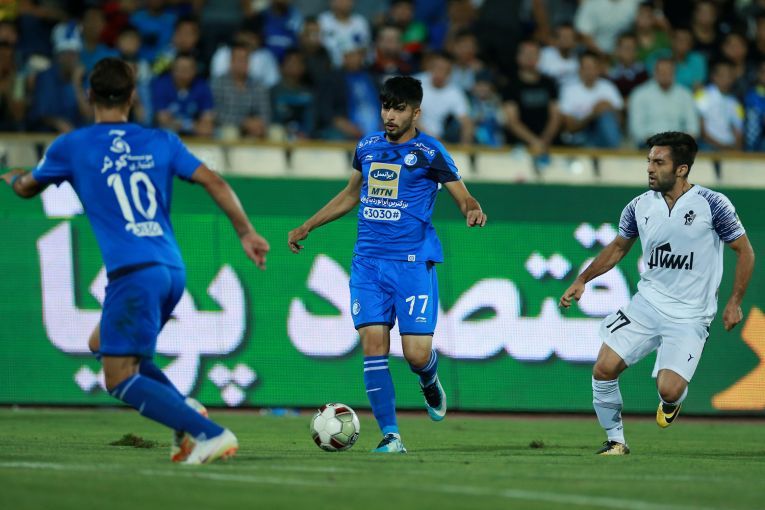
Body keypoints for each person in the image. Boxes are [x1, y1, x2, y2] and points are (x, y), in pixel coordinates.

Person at [1, 57, 271, 465]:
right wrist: (246, 232)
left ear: (89, 96)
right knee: (102, 344)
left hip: (132, 272)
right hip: (170, 270)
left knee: (118, 376)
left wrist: (10, 175)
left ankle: (209, 433)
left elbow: (25, 187)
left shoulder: (72, 145)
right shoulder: (162, 141)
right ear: (132, 97)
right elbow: (214, 181)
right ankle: (186, 410)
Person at [288, 76, 486, 453]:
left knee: (415, 354)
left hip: (412, 265)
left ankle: (428, 378)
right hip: (367, 264)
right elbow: (350, 195)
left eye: (398, 109)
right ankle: (391, 436)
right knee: (373, 345)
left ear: (416, 112)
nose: (389, 116)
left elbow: (463, 196)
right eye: (386, 107)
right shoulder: (367, 146)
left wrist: (472, 209)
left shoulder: (430, 151)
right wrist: (308, 225)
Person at [559, 131, 754, 455]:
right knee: (603, 368)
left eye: (659, 162)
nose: (650, 168)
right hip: (647, 304)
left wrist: (735, 302)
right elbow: (618, 247)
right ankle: (616, 441)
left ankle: (672, 401)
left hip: (691, 315)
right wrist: (583, 279)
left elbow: (744, 251)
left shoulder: (712, 204)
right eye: (649, 160)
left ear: (681, 169)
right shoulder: (639, 206)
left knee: (669, 388)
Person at [628, 58, 699, 146]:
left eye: (668, 72)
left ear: (674, 73)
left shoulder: (685, 94)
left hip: (678, 145)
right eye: (662, 72)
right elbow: (636, 128)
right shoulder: (640, 94)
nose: (665, 75)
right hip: (648, 144)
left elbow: (693, 126)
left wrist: (682, 141)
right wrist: (658, 143)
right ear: (654, 73)